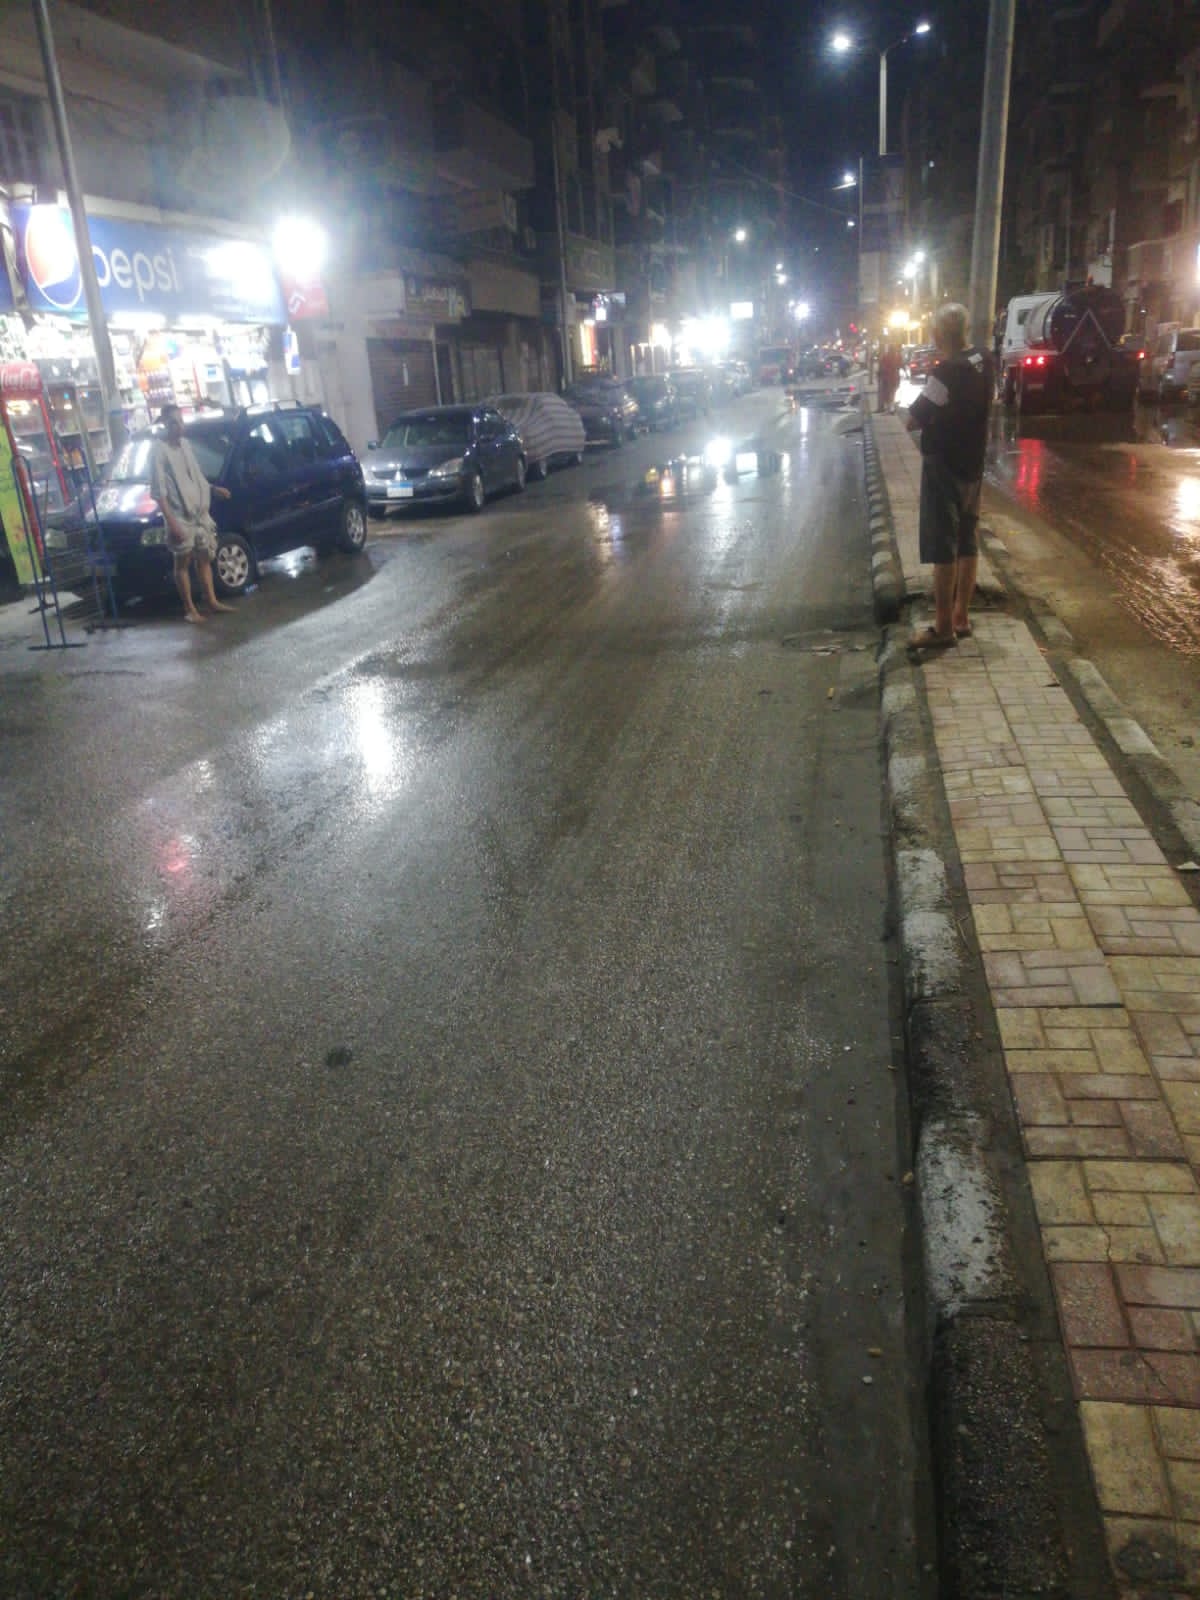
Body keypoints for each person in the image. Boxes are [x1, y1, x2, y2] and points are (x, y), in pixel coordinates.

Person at [902, 302, 992, 651]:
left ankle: (942, 628)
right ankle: (961, 617)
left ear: (940, 334)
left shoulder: (947, 372)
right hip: (974, 465)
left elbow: (914, 418)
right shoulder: (984, 360)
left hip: (945, 467)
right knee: (968, 540)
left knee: (944, 545)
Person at [149, 404, 234, 623]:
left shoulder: (185, 445)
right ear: (165, 425)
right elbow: (159, 491)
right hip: (179, 516)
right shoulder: (159, 451)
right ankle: (190, 609)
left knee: (204, 557)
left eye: (180, 421)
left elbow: (196, 475)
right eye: (173, 423)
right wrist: (172, 523)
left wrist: (213, 489)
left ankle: (211, 601)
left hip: (199, 513)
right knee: (182, 563)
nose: (179, 427)